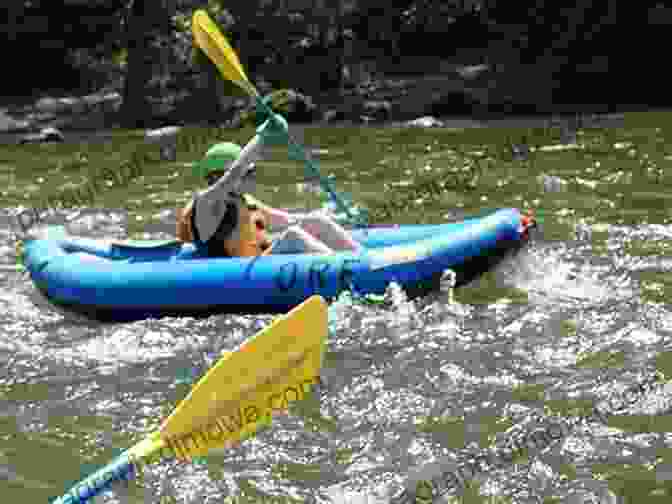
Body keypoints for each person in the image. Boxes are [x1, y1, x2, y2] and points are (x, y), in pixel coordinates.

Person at [176, 113, 363, 258]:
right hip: (234, 274)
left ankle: (366, 261)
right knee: (293, 237)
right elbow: (234, 173)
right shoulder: (206, 203)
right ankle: (350, 273)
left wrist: (330, 218)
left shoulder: (244, 201)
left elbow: (287, 219)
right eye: (248, 173)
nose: (251, 178)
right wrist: (264, 135)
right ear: (217, 176)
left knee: (316, 221)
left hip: (257, 259)